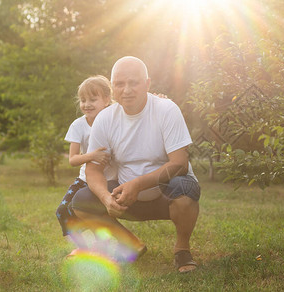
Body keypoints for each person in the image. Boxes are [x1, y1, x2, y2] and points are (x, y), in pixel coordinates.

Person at [70, 56, 200, 273]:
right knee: (82, 201)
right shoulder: (105, 119)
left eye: (134, 82)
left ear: (147, 84)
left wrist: (138, 184)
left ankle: (182, 250)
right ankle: (130, 244)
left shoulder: (166, 109)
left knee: (185, 189)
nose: (126, 90)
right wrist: (105, 197)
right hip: (126, 198)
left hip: (166, 193)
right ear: (112, 87)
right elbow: (93, 170)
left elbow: (180, 163)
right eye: (120, 84)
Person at [56, 75, 117, 254]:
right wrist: (92, 156)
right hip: (85, 178)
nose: (86, 104)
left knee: (96, 211)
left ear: (107, 100)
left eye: (93, 99)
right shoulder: (78, 125)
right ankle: (83, 247)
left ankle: (101, 244)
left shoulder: (115, 118)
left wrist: (158, 98)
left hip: (111, 179)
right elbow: (72, 159)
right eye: (83, 100)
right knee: (62, 211)